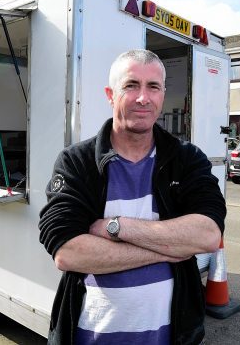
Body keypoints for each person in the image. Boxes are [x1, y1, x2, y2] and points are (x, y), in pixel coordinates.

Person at [39, 49, 226, 345]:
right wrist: (170, 250)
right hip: (91, 336)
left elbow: (207, 236)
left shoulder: (186, 159)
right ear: (110, 95)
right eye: (131, 85)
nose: (143, 98)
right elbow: (67, 252)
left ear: (162, 95)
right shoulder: (78, 162)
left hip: (171, 336)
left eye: (153, 87)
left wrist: (115, 227)